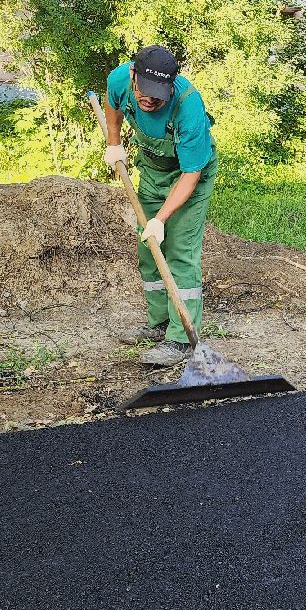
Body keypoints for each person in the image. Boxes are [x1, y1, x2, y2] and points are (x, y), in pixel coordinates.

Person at [103, 43, 217, 367]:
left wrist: (162, 218)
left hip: (187, 178)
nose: (149, 100)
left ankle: (182, 340)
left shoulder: (188, 106)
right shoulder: (119, 81)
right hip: (153, 173)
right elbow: (112, 104)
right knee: (148, 249)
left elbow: (191, 175)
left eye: (158, 95)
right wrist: (114, 143)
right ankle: (160, 324)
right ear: (133, 75)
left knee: (179, 251)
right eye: (144, 91)